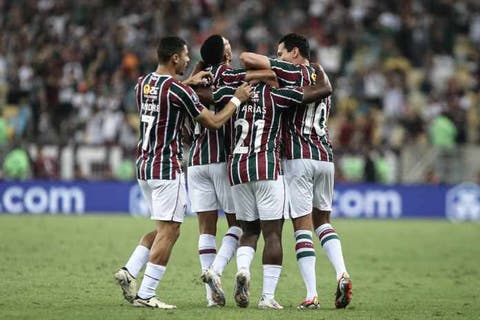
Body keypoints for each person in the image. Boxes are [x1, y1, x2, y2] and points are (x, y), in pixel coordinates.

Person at [113, 36, 253, 309]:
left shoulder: (142, 84)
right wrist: (236, 100)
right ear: (175, 57)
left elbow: (168, 91)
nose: (189, 60)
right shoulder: (180, 91)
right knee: (172, 231)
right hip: (167, 167)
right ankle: (146, 294)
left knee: (162, 228)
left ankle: (130, 270)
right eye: (186, 55)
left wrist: (188, 82)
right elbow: (213, 121)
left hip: (143, 166)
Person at [239, 33, 353, 309]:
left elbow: (249, 60)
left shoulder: (291, 71)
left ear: (294, 53)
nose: (278, 58)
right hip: (325, 156)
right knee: (323, 221)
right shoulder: (320, 76)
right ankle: (342, 272)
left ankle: (312, 295)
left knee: (302, 227)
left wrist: (265, 71)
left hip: (298, 157)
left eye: (281, 53)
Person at [213, 62, 332, 309]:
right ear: (271, 80)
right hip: (266, 168)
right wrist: (320, 73)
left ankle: (243, 269)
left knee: (248, 230)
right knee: (273, 234)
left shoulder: (233, 94)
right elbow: (319, 91)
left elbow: (203, 95)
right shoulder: (277, 96)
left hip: (237, 170)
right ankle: (267, 297)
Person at [188, 34, 277, 307]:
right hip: (222, 160)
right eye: (228, 47)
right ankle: (216, 271)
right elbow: (269, 75)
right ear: (226, 55)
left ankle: (211, 297)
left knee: (205, 229)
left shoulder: (194, 79)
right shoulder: (232, 75)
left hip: (194, 161)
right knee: (239, 226)